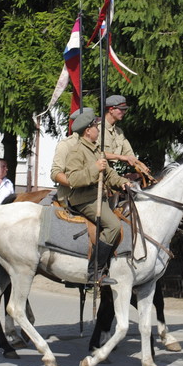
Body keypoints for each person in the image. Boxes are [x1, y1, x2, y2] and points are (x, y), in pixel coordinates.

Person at [60, 113, 132, 285]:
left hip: (99, 198)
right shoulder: (76, 151)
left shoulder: (96, 150)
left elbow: (109, 175)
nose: (97, 129)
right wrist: (94, 168)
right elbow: (73, 180)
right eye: (95, 127)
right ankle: (94, 271)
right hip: (84, 199)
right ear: (87, 131)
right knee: (114, 226)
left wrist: (123, 183)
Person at [102, 95, 150, 175]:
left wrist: (140, 165)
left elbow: (128, 153)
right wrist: (121, 157)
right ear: (111, 110)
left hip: (110, 174)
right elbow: (96, 154)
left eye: (125, 110)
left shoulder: (119, 132)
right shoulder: (97, 130)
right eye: (121, 109)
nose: (124, 112)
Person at [50, 107, 96, 187]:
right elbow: (56, 173)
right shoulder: (66, 145)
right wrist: (76, 183)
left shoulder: (94, 144)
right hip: (72, 195)